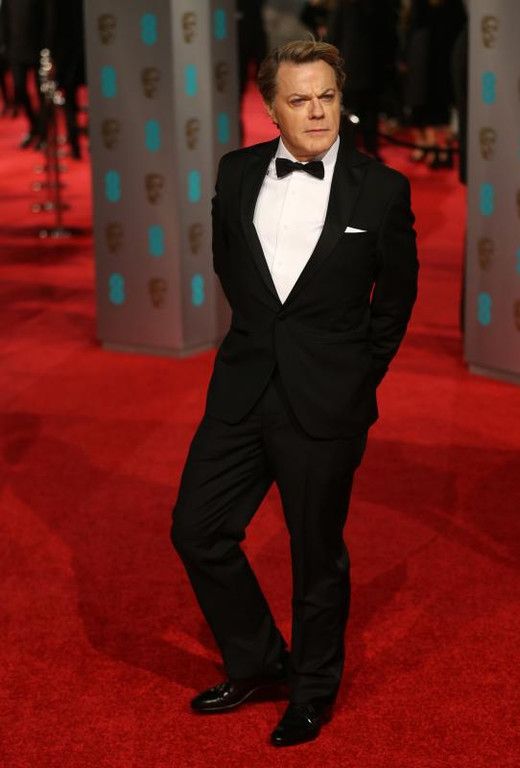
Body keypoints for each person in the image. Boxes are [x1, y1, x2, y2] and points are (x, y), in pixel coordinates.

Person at [171, 39, 418, 747]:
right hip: (244, 386)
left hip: (325, 400)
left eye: (327, 97)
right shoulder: (237, 171)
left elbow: (394, 302)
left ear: (342, 100)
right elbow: (229, 265)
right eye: (300, 99)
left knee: (315, 553)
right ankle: (258, 660)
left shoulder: (381, 189)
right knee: (197, 529)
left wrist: (355, 376)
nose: (317, 112)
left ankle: (311, 690)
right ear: (271, 109)